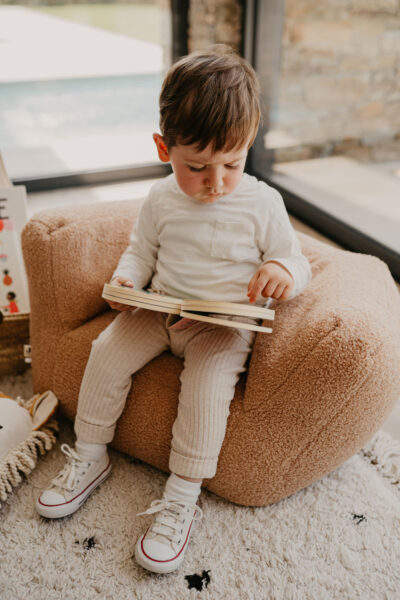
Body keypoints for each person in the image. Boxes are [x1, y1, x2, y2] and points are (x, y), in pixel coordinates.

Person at [36, 45, 312, 574]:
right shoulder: (161, 198)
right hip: (160, 309)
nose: (216, 182)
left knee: (207, 390)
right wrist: (126, 280)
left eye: (232, 163)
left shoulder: (262, 203)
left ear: (249, 146)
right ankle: (90, 457)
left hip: (221, 328)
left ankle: (182, 496)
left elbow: (294, 261)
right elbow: (141, 251)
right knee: (107, 349)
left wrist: (282, 274)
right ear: (164, 148)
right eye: (198, 166)